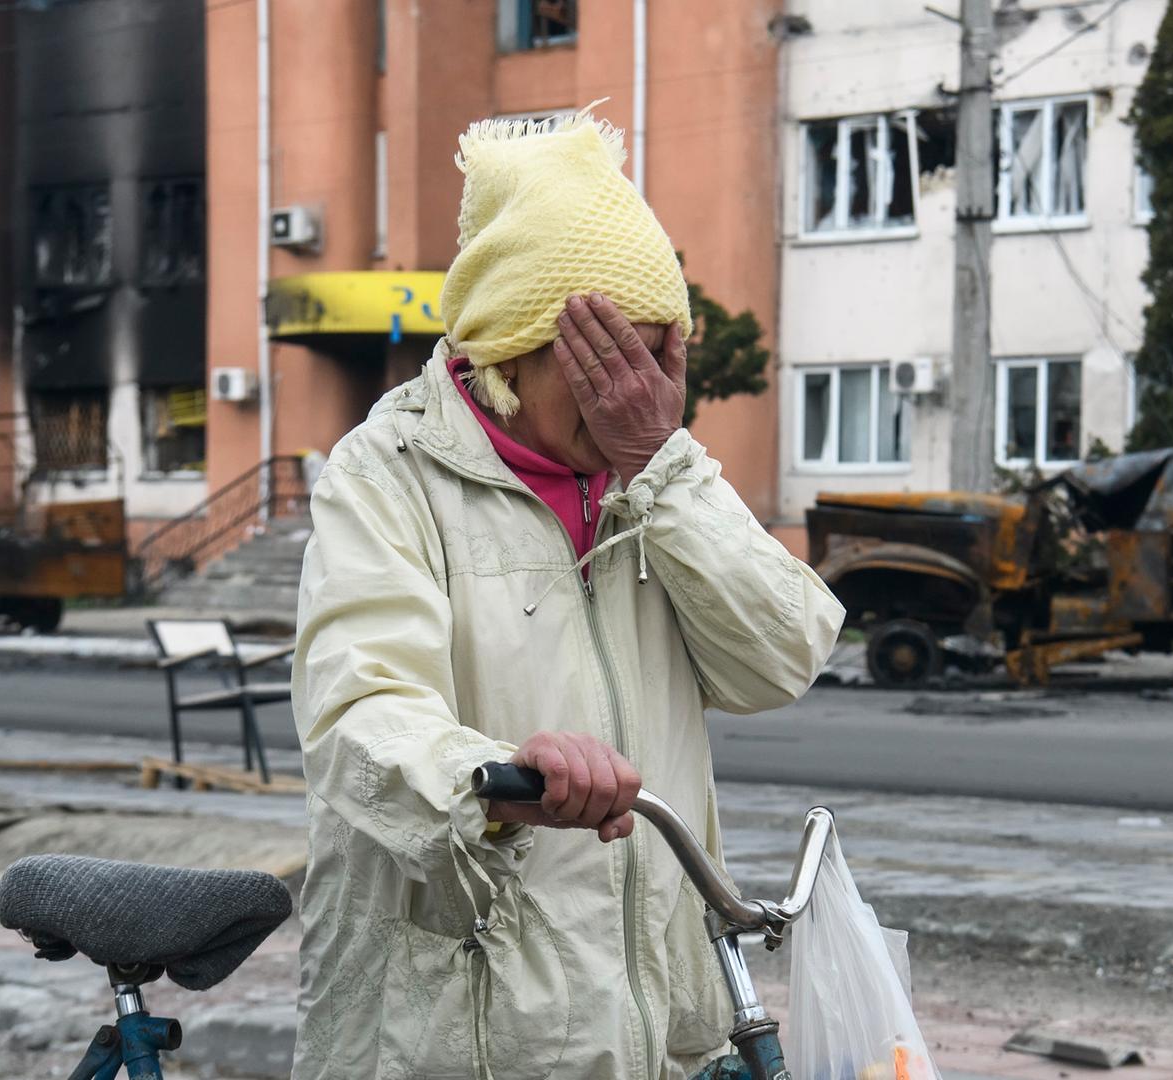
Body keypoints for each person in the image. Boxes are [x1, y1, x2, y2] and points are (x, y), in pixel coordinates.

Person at [290, 109, 845, 1079]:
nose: (636, 393)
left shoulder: (655, 483)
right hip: (464, 1036)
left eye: (658, 357)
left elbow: (782, 659)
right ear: (510, 353)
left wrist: (664, 466)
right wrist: (493, 779)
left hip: (657, 1038)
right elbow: (358, 714)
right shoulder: (387, 476)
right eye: (605, 361)